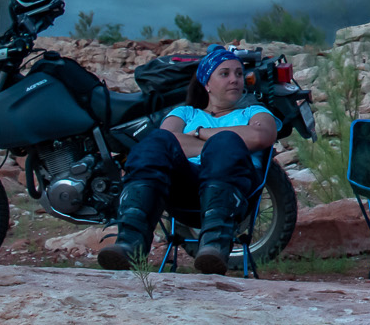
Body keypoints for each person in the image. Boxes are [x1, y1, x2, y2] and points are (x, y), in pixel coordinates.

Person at [99, 46, 276, 275]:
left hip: (233, 193)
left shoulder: (255, 112)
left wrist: (201, 135)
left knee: (226, 143)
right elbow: (167, 143)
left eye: (239, 74)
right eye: (225, 74)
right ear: (207, 84)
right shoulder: (185, 113)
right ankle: (130, 241)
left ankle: (214, 245)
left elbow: (260, 136)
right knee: (156, 143)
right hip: (184, 193)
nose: (234, 80)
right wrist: (221, 145)